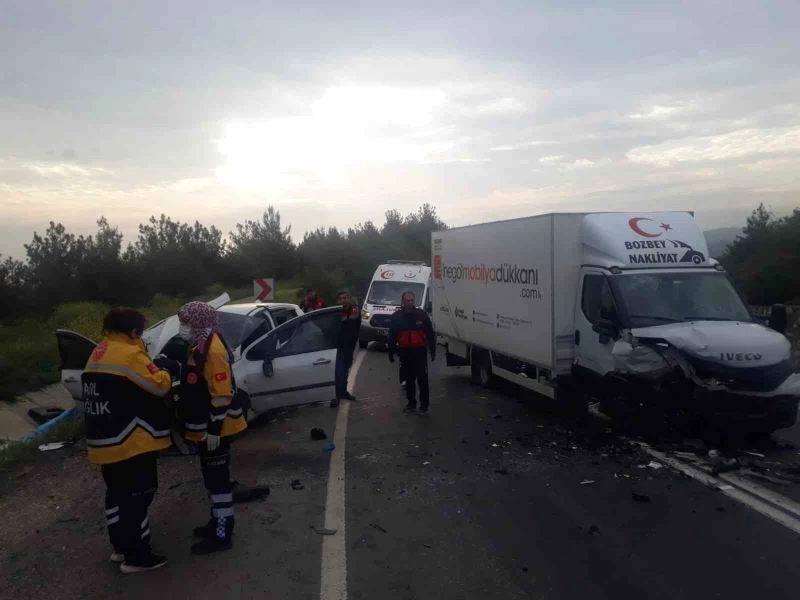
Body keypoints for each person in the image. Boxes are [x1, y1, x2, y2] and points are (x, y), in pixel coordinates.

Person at [82, 308, 178, 574]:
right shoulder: (130, 355)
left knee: (117, 494)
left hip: (104, 440)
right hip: (131, 441)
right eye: (141, 331)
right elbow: (159, 385)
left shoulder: (99, 351)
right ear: (134, 331)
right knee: (139, 495)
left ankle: (121, 547)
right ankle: (137, 557)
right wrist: (166, 369)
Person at [175, 301, 248, 555]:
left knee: (218, 483)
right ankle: (216, 521)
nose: (182, 326)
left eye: (185, 321)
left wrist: (215, 429)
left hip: (217, 428)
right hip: (206, 427)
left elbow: (222, 393)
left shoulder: (212, 348)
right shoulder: (201, 343)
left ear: (197, 322)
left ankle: (222, 534)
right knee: (211, 479)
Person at [388, 291, 436, 414]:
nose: (410, 302)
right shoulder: (397, 316)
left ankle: (424, 405)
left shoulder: (421, 315)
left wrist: (432, 350)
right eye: (407, 300)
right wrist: (391, 352)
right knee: (409, 379)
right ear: (403, 301)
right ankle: (411, 404)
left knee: (422, 379)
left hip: (419, 352)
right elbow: (392, 335)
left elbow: (430, 333)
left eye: (411, 300)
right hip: (405, 352)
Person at [331, 290, 360, 407]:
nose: (343, 300)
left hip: (350, 346)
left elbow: (356, 326)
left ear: (349, 298)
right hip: (339, 346)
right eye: (341, 299)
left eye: (345, 298)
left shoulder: (355, 310)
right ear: (338, 301)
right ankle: (337, 396)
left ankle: (343, 392)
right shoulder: (336, 313)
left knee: (346, 369)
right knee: (339, 372)